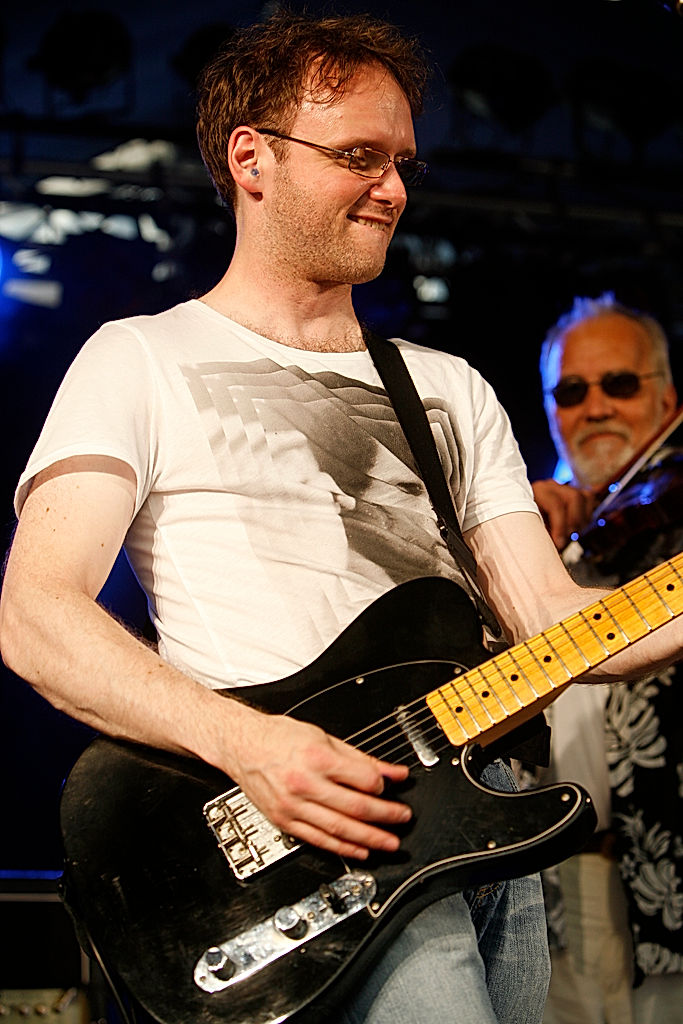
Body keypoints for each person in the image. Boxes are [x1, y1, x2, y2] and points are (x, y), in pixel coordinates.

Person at [0, 12, 681, 1023]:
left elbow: (552, 620)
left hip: (480, 825)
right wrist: (253, 747)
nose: (395, 188)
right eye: (358, 156)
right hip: (296, 836)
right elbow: (36, 617)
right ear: (251, 160)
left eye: (400, 159)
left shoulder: (447, 390)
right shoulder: (137, 357)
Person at [531, 292, 683, 1024]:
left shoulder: (671, 515)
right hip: (546, 881)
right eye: (571, 391)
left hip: (668, 871)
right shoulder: (523, 542)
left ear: (667, 399)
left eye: (619, 384)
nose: (594, 407)